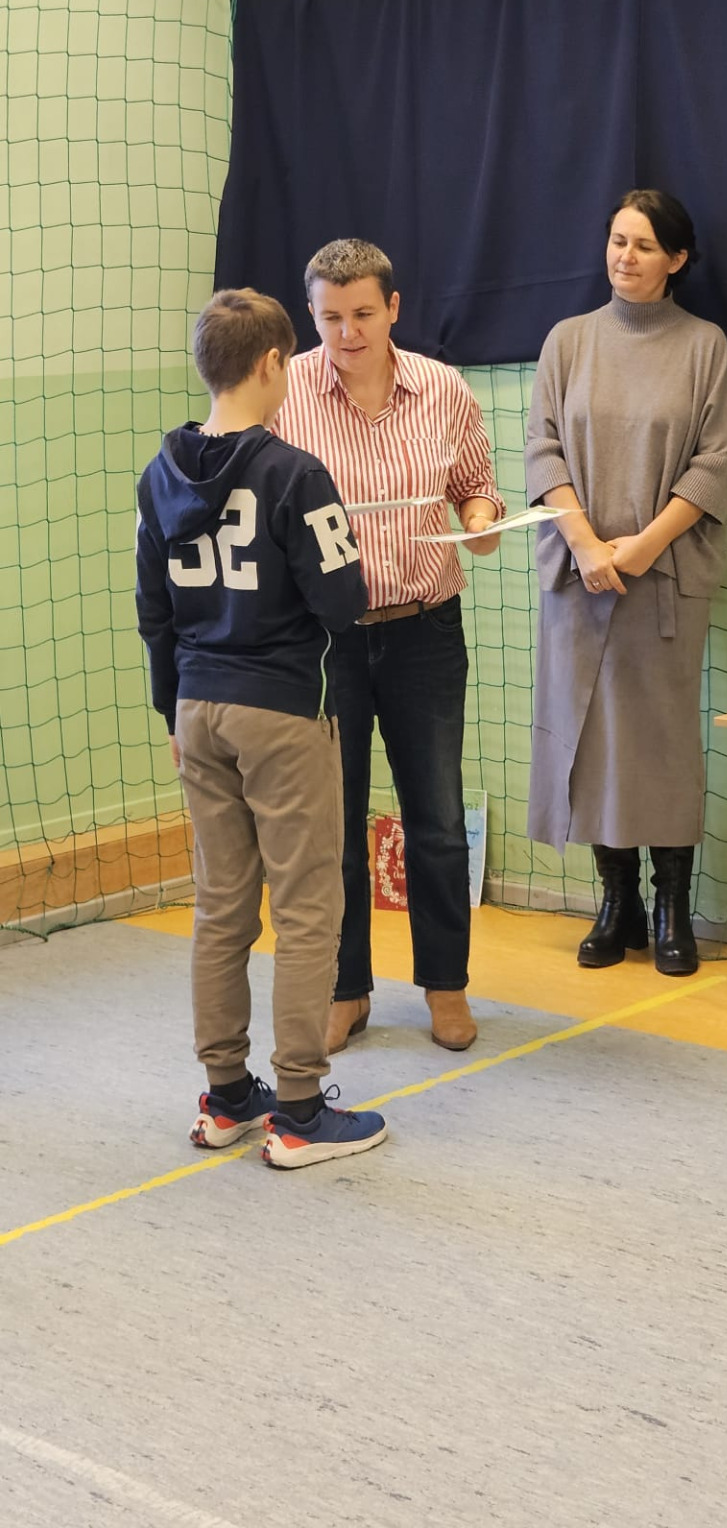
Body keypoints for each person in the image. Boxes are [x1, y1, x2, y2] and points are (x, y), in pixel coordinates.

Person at [136, 287, 387, 1170]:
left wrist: (172, 709)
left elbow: (154, 611)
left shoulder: (159, 474)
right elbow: (343, 602)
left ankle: (225, 1098)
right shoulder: (295, 473)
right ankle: (299, 1110)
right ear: (274, 363)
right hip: (281, 709)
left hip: (197, 707)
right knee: (309, 907)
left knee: (220, 907)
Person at [274, 238, 505, 1054]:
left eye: (363, 314)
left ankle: (445, 987)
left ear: (393, 308)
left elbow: (475, 488)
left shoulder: (442, 388)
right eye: (330, 317)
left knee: (435, 819)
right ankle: (345, 991)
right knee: (332, 828)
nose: (347, 332)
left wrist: (480, 521)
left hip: (424, 629)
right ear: (311, 314)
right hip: (323, 642)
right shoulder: (284, 392)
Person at [524, 190, 727, 975]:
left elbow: (713, 463)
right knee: (588, 737)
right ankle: (616, 903)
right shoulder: (567, 340)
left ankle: (670, 904)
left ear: (676, 259)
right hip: (578, 576)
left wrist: (642, 548)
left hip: (663, 578)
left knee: (662, 741)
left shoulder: (704, 346)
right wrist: (586, 546)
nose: (625, 256)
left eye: (644, 245)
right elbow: (542, 449)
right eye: (618, 240)